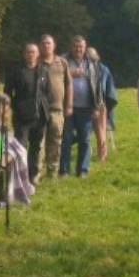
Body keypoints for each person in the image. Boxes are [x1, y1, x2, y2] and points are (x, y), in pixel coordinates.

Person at [5, 42, 50, 177]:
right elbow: (7, 92)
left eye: (33, 52)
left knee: (36, 148)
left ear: (38, 54)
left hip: (40, 116)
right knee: (21, 147)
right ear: (24, 54)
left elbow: (47, 92)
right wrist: (15, 107)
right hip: (22, 117)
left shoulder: (43, 71)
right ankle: (20, 176)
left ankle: (32, 176)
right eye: (28, 52)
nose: (31, 54)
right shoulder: (16, 71)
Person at [61, 36, 101, 177]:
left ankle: (83, 170)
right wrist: (70, 73)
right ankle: (64, 170)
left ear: (85, 48)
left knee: (85, 139)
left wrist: (97, 107)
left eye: (81, 47)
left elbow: (98, 85)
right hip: (67, 107)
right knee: (66, 139)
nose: (78, 49)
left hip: (86, 107)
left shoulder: (92, 63)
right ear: (71, 47)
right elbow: (56, 78)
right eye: (76, 46)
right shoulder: (63, 61)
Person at [0, 92, 35, 207]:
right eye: (4, 104)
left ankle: (6, 192)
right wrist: (3, 155)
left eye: (8, 105)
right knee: (9, 160)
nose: (6, 108)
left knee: (16, 155)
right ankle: (5, 194)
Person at [37, 34, 71, 181]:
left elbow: (69, 84)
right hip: (39, 110)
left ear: (54, 45)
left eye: (49, 43)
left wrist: (69, 105)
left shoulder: (62, 63)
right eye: (44, 43)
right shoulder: (36, 63)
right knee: (39, 143)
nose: (46, 46)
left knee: (56, 142)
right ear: (40, 46)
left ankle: (52, 173)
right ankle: (37, 173)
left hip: (57, 109)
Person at [87, 47, 117, 162]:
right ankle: (87, 154)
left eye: (92, 56)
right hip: (84, 104)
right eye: (88, 56)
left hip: (99, 104)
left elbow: (109, 89)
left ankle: (102, 155)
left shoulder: (103, 69)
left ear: (97, 57)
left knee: (101, 131)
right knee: (86, 132)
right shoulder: (82, 68)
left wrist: (107, 105)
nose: (91, 58)